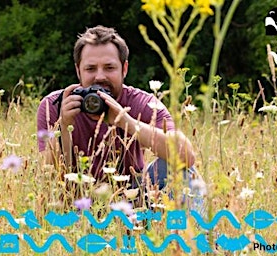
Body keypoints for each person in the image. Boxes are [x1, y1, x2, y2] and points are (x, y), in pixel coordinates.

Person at [37, 25, 204, 209]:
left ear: (124, 69)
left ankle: (202, 236)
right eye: (90, 68)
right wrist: (64, 126)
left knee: (182, 170)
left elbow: (187, 156)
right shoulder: (55, 104)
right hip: (78, 205)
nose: (100, 77)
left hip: (133, 199)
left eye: (109, 68)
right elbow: (49, 179)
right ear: (78, 71)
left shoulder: (142, 102)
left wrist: (126, 122)